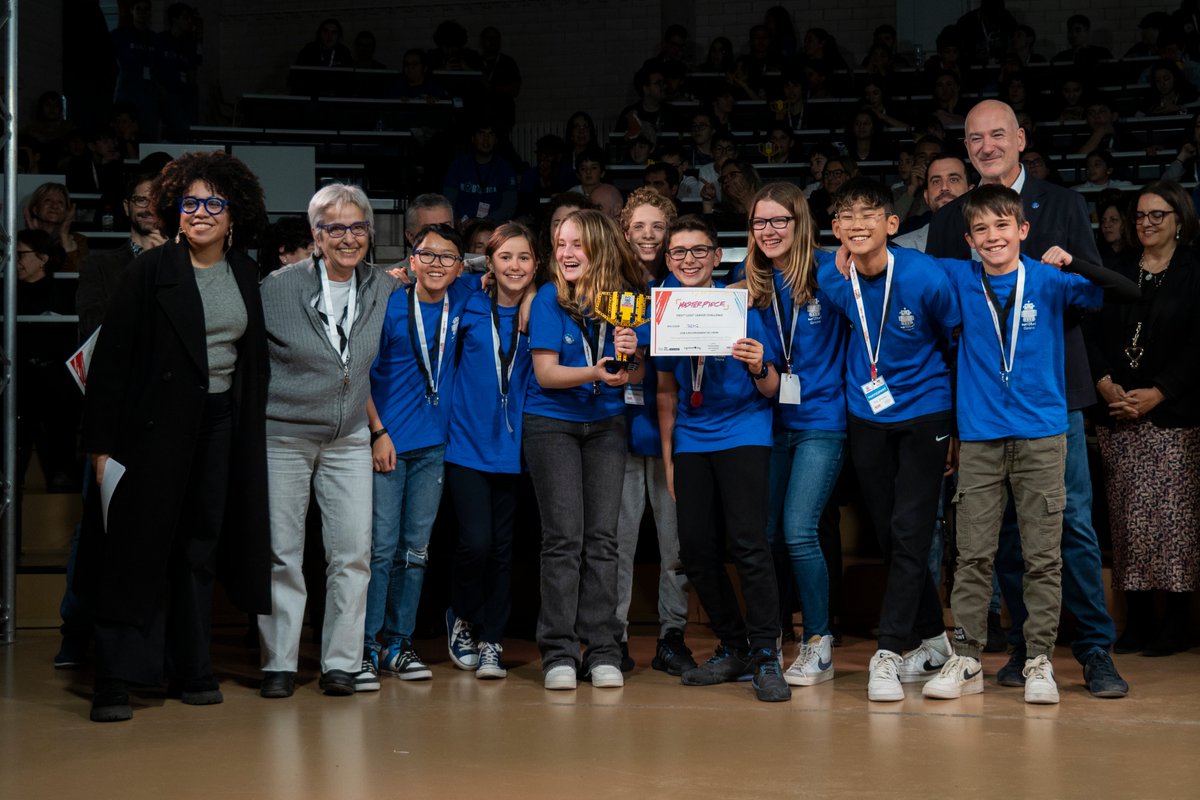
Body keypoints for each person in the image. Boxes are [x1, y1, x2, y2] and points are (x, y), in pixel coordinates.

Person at [926, 99, 1129, 699]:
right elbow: (941, 317)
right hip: (983, 404)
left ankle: (1094, 650)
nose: (986, 146)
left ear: (1020, 137)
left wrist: (1096, 378)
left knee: (1070, 529)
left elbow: (1093, 289)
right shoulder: (948, 220)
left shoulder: (1061, 203)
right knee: (1000, 536)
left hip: (1052, 396)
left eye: (997, 135)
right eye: (975, 139)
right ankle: (1021, 650)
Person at [77, 151, 270, 722]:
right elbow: (110, 366)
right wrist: (100, 446)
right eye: (192, 203)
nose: (203, 212)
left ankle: (192, 668)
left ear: (233, 215)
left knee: (199, 551)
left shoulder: (244, 273)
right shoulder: (148, 270)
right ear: (175, 211)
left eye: (215, 203)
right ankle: (114, 679)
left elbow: (249, 362)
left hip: (217, 428)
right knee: (137, 550)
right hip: (150, 431)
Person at [819, 178, 961, 702]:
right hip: (866, 415)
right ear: (836, 228)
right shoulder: (832, 277)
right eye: (846, 216)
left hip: (925, 414)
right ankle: (934, 641)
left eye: (868, 214)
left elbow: (956, 344)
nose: (857, 224)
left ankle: (888, 650)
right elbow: (782, 257)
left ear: (892, 223)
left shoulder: (926, 276)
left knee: (910, 530)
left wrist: (958, 430)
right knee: (889, 533)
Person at [257, 184, 398, 700]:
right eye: (334, 228)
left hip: (348, 439)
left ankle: (341, 662)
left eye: (357, 227)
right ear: (316, 236)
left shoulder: (384, 287)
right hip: (284, 435)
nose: (347, 237)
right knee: (282, 554)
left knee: (352, 553)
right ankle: (279, 663)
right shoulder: (276, 288)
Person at [656, 215, 788, 702]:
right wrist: (669, 459)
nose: (688, 260)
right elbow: (666, 389)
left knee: (749, 543)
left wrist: (758, 365)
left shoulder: (747, 308)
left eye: (698, 251)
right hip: (691, 438)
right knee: (693, 549)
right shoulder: (665, 310)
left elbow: (774, 386)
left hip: (743, 431)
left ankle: (766, 653)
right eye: (678, 253)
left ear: (717, 256)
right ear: (668, 260)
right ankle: (734, 645)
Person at [524, 208, 645, 691]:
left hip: (606, 424)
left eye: (577, 245)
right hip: (552, 424)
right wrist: (597, 373)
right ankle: (557, 651)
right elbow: (546, 374)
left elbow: (633, 376)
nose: (567, 254)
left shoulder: (626, 300)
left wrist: (631, 354)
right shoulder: (551, 298)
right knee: (564, 540)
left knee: (603, 539)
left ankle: (602, 649)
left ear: (599, 248)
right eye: (561, 245)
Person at [740, 183, 849, 688]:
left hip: (822, 422)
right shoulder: (750, 286)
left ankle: (819, 642)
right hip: (772, 423)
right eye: (760, 223)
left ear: (800, 223)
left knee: (800, 530)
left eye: (779, 220)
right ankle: (766, 640)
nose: (769, 231)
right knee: (766, 535)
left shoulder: (830, 271)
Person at [1087, 181, 1200, 657]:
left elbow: (1199, 344)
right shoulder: (1115, 269)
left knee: (1172, 523)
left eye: (1158, 215)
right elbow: (1090, 330)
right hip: (1118, 414)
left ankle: (1175, 622)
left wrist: (1160, 391)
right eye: (1140, 215)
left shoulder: (1195, 271)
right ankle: (1135, 621)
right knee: (1127, 523)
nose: (1147, 223)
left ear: (1180, 219)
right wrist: (1104, 382)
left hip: (1172, 413)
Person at [364, 223, 473, 684]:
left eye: (447, 257)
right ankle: (365, 648)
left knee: (417, 551)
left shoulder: (465, 299)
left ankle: (399, 644)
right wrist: (376, 431)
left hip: (434, 447)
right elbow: (359, 371)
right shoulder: (387, 304)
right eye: (427, 254)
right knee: (381, 550)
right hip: (388, 442)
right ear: (411, 260)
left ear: (459, 268)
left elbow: (504, 279)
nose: (436, 264)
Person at [443, 223, 537, 680]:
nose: (514, 266)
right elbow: (429, 270)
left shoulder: (545, 308)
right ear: (490, 263)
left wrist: (539, 292)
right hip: (466, 443)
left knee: (503, 549)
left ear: (536, 264)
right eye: (505, 258)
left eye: (524, 258)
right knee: (475, 542)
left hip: (515, 447)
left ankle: (493, 641)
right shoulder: (468, 298)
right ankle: (463, 614)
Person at [613, 189, 695, 676]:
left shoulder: (683, 288)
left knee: (674, 548)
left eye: (657, 227)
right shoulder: (609, 287)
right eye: (639, 227)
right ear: (625, 232)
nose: (647, 235)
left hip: (674, 430)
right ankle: (613, 638)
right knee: (618, 545)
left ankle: (672, 636)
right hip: (619, 433)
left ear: (669, 236)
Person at [893, 153, 974, 252]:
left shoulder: (993, 244)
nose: (944, 187)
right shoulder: (901, 249)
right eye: (936, 181)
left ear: (971, 192)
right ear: (926, 196)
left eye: (953, 180)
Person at [443, 122, 518, 223]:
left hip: (493, 227)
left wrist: (484, 222)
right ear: (473, 138)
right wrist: (457, 222)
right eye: (481, 134)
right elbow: (448, 202)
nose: (486, 139)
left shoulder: (505, 168)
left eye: (490, 134)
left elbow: (509, 207)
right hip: (462, 225)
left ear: (496, 140)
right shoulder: (458, 166)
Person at [24, 182, 88, 273]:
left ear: (67, 212)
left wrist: (64, 235)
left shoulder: (79, 240)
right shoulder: (21, 240)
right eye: (48, 200)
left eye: (60, 202)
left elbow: (78, 274)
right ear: (35, 209)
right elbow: (29, 273)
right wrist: (35, 238)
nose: (54, 206)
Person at [1096, 194, 1135, 270]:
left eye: (1113, 220)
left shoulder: (1138, 256)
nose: (1106, 225)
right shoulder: (1096, 256)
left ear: (1126, 223)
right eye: (1103, 221)